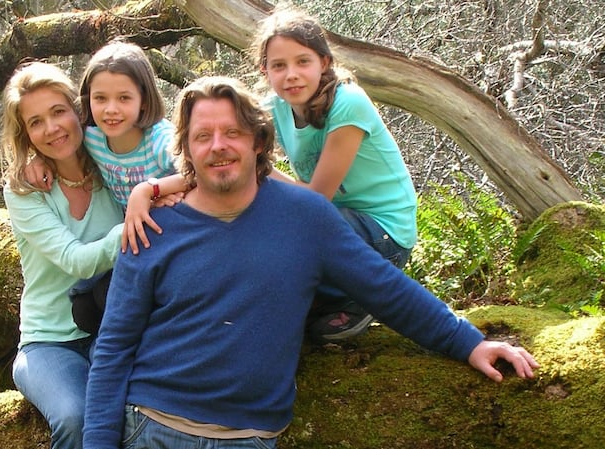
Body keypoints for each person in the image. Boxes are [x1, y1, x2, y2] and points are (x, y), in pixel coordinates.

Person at [83, 76, 538, 449]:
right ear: (187, 149)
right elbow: (114, 345)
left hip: (251, 436)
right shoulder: (151, 225)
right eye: (203, 136)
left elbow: (384, 287)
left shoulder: (305, 217)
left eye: (232, 133)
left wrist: (468, 342)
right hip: (153, 425)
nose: (218, 146)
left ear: (258, 142)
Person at [250, 6, 419, 343]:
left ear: (324, 63)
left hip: (383, 234)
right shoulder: (274, 108)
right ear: (264, 70)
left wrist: (261, 170)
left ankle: (362, 297)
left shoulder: (348, 102)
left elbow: (315, 199)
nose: (291, 75)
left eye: (303, 61)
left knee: (290, 238)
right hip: (335, 222)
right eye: (278, 66)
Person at [0, 61, 124, 449]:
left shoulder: (115, 168)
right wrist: (134, 222)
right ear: (26, 135)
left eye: (58, 112)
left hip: (118, 331)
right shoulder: (24, 190)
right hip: (50, 343)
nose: (51, 128)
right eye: (36, 122)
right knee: (77, 417)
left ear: (77, 111)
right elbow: (77, 261)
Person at [24, 41, 189, 248]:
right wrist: (39, 159)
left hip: (177, 229)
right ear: (88, 99)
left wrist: (149, 190)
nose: (111, 109)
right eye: (100, 98)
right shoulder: (92, 139)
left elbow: (199, 172)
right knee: (87, 282)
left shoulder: (159, 139)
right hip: (131, 238)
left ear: (144, 100)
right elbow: (60, 141)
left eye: (124, 98)